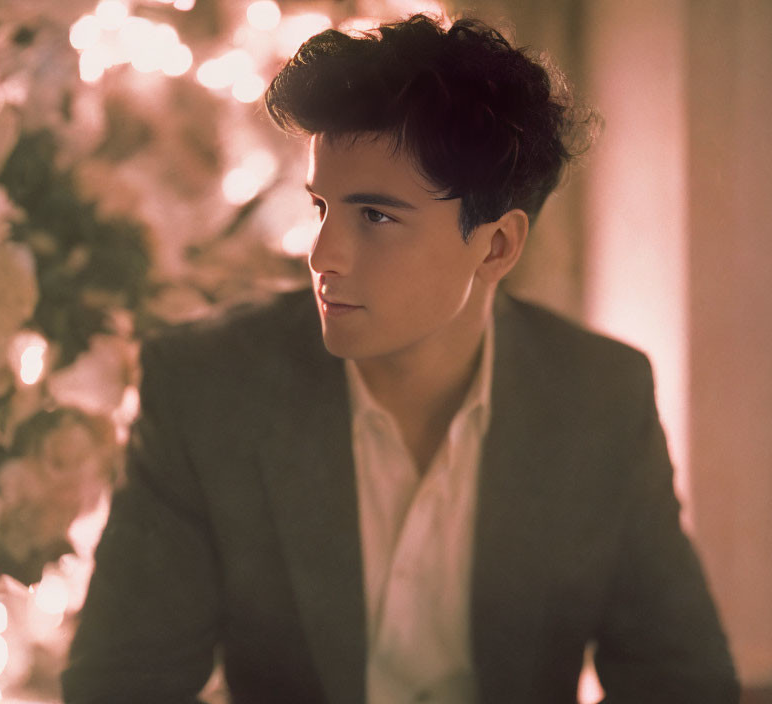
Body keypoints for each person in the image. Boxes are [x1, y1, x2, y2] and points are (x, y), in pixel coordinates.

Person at [62, 13, 738, 704]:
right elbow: (121, 686)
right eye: (321, 207)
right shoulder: (209, 390)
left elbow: (681, 682)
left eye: (375, 217)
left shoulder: (598, 399)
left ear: (498, 246)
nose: (322, 256)